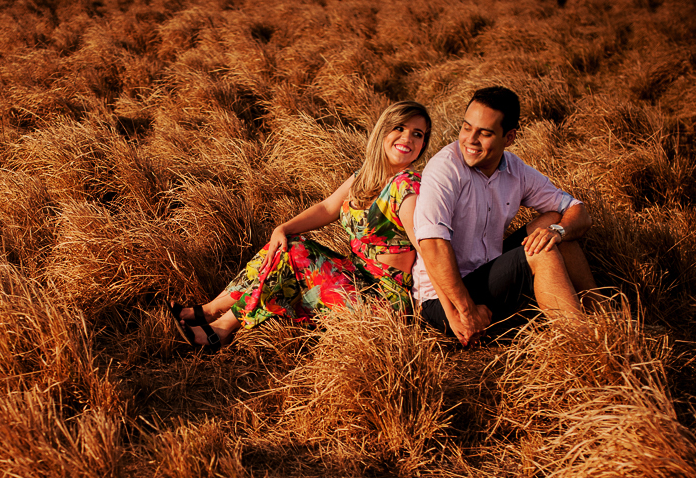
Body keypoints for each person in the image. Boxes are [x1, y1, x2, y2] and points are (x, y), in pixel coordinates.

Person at [172, 101, 432, 351]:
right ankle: (211, 309)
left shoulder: (407, 185)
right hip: (354, 275)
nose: (407, 138)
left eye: (417, 134)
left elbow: (428, 247)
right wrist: (282, 228)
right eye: (399, 128)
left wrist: (447, 308)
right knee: (283, 243)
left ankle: (221, 329)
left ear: (423, 145)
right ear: (382, 131)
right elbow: (327, 208)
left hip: (381, 299)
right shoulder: (365, 176)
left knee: (295, 253)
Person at [412, 86, 597, 346]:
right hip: (444, 299)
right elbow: (432, 245)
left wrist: (557, 231)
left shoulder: (515, 169)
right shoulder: (444, 168)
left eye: (484, 133)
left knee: (555, 224)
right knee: (541, 253)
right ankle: (584, 345)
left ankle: (600, 312)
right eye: (466, 127)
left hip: (487, 271)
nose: (470, 140)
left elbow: (578, 212)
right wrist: (467, 311)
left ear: (508, 137)